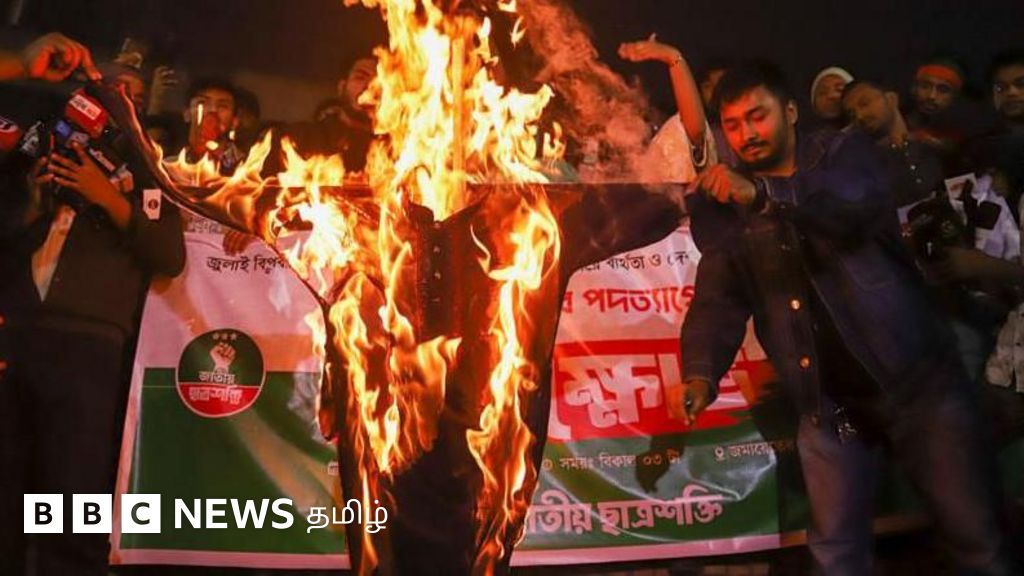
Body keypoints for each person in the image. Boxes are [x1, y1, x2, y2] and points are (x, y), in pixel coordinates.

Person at [674, 61, 1017, 575]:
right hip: (829, 406)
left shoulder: (841, 152)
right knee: (835, 555)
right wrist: (700, 372)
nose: (747, 133)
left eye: (758, 116)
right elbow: (718, 297)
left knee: (975, 539)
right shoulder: (731, 202)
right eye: (734, 124)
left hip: (918, 387)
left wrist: (765, 196)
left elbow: (850, 207)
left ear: (791, 111)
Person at [0, 84, 186, 575]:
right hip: (15, 336)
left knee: (74, 494)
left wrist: (105, 196)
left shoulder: (147, 177)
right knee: (7, 487)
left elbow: (169, 255)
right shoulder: (28, 164)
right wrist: (34, 201)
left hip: (90, 350)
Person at [809, 66, 853, 132]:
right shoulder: (808, 138)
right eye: (823, 92)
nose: (831, 96)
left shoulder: (866, 133)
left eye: (839, 90)